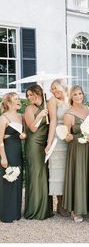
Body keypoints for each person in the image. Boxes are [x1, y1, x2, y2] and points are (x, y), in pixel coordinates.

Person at [62, 85, 89, 222]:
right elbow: (66, 135)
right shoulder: (68, 114)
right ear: (71, 97)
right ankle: (76, 210)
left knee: (88, 174)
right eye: (75, 95)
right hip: (77, 148)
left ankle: (88, 207)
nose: (78, 96)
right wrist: (68, 136)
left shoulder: (88, 110)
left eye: (80, 93)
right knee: (78, 175)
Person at [24, 84, 53, 220]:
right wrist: (40, 115)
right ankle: (34, 210)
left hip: (44, 144)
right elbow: (33, 128)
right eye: (28, 95)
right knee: (36, 175)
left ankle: (45, 210)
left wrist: (49, 142)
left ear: (39, 93)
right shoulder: (29, 109)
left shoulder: (48, 105)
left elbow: (52, 124)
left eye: (31, 94)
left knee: (44, 174)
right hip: (34, 144)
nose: (29, 97)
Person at [45, 79, 70, 216]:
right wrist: (49, 143)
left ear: (63, 85)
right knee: (57, 172)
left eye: (55, 87)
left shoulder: (70, 100)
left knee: (67, 172)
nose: (54, 91)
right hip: (57, 140)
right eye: (52, 89)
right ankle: (60, 204)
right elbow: (53, 122)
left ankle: (67, 202)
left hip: (69, 140)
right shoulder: (53, 101)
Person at [0, 93, 25, 223]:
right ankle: (6, 214)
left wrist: (24, 135)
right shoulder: (3, 118)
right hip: (7, 151)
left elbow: (25, 132)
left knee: (17, 180)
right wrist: (3, 158)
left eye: (19, 99)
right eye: (16, 99)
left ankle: (15, 212)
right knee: (7, 181)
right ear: (9, 103)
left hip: (17, 151)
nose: (19, 101)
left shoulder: (21, 116)